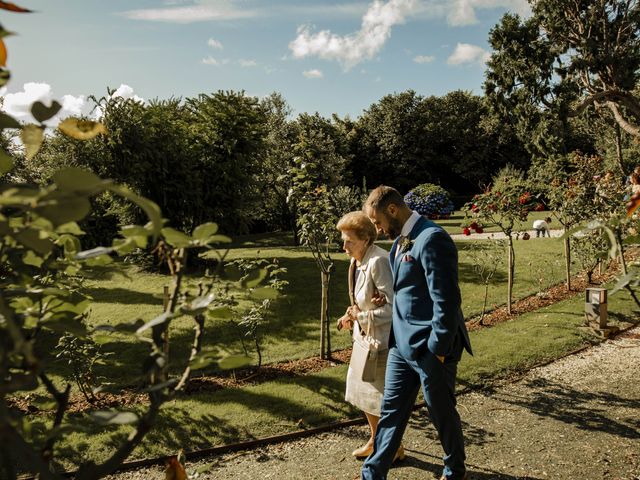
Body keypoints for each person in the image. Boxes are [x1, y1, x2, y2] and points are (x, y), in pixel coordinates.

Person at [361, 186, 472, 480]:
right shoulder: (400, 241)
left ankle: (454, 470)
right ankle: (371, 475)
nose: (377, 228)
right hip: (401, 345)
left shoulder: (432, 238)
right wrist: (388, 299)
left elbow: (446, 302)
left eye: (377, 221)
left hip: (431, 348)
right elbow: (410, 288)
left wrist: (437, 349)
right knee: (391, 413)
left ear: (393, 210)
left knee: (441, 413)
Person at [335, 211, 404, 461]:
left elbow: (394, 307)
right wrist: (349, 314)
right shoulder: (356, 261)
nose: (344, 246)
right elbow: (360, 302)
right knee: (363, 395)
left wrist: (360, 317)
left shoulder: (379, 262)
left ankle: (394, 447)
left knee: (381, 399)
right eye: (343, 240)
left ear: (365, 239)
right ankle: (376, 440)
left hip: (381, 343)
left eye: (349, 241)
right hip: (363, 341)